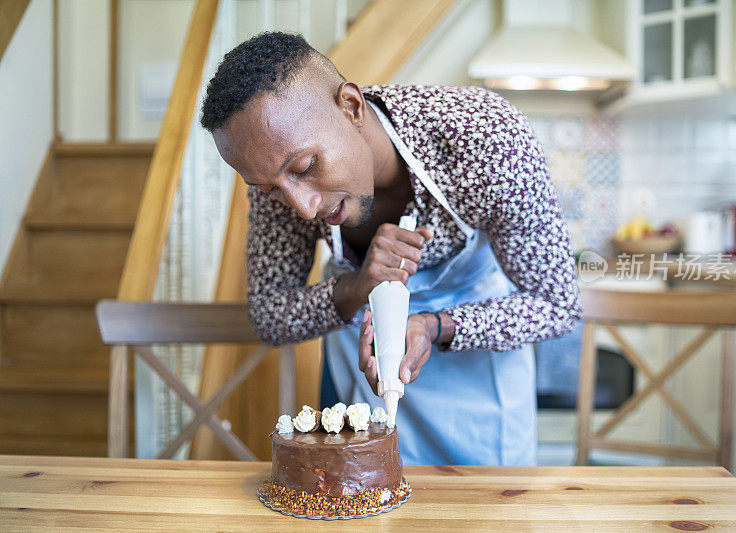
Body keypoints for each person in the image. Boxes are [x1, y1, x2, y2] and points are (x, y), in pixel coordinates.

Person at [200, 32, 581, 466]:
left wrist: (433, 326)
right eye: (270, 189)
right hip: (362, 389)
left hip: (480, 393)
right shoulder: (277, 174)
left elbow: (557, 305)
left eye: (306, 167)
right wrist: (357, 286)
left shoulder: (485, 138)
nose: (302, 209)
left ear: (351, 106)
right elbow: (270, 317)